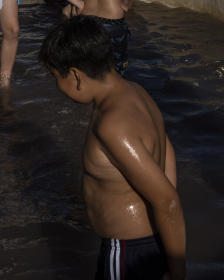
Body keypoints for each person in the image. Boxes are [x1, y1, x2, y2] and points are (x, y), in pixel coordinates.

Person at [39, 16, 186, 280]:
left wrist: (178, 274)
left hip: (127, 251)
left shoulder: (112, 126)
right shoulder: (136, 92)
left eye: (55, 77)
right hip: (149, 244)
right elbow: (167, 152)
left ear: (75, 75)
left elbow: (167, 200)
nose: (56, 87)